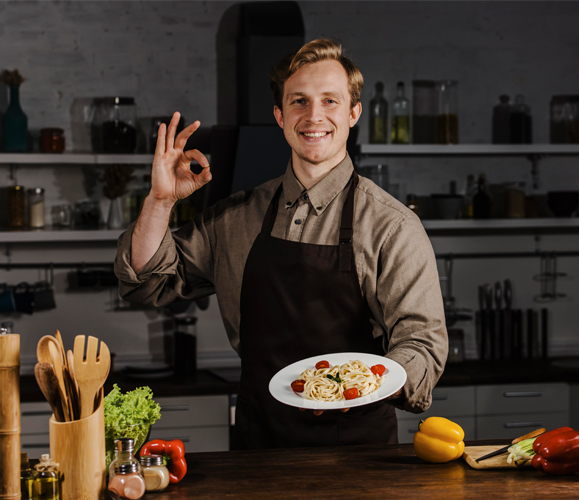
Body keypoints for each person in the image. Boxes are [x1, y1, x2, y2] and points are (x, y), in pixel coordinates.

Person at [115, 38, 447, 450]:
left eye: (330, 101)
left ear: (353, 113)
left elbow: (422, 343)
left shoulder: (392, 226)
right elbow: (148, 279)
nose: (314, 116)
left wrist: (361, 385)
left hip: (358, 453)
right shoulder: (235, 217)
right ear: (280, 116)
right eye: (299, 101)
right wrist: (160, 201)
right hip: (258, 447)